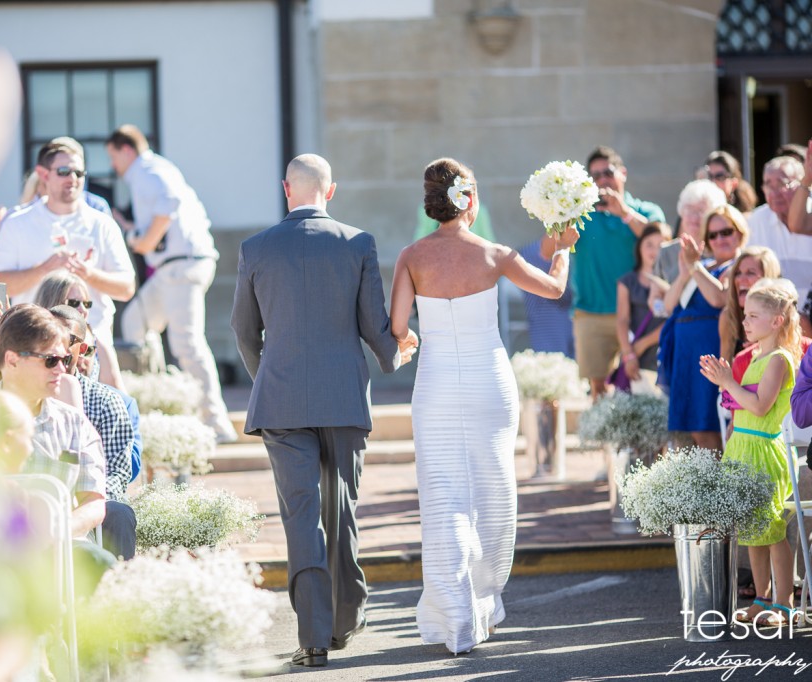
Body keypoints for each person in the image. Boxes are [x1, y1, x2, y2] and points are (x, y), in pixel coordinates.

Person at [230, 153, 415, 668]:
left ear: (286, 189)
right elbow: (376, 330)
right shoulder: (357, 242)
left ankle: (312, 638)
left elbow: (244, 332)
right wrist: (398, 352)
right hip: (343, 396)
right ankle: (345, 617)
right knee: (341, 510)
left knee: (301, 517)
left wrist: (268, 374)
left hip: (282, 399)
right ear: (330, 192)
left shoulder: (255, 247)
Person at [390, 158, 579, 654]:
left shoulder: (411, 255)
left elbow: (396, 328)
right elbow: (554, 289)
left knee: (443, 495)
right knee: (493, 489)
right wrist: (563, 249)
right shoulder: (495, 253)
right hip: (488, 381)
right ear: (468, 199)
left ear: (431, 204)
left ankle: (456, 616)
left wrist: (411, 337)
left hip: (434, 384)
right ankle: (486, 599)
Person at [106, 124, 237, 443]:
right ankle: (161, 402)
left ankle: (216, 423)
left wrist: (144, 241)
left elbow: (169, 205)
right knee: (135, 320)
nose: (113, 166)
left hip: (182, 267)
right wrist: (133, 231)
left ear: (126, 150)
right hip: (173, 269)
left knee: (187, 343)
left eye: (113, 157)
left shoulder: (148, 170)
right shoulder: (150, 171)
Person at [0, 140, 136, 393]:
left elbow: (126, 288)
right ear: (44, 175)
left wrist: (89, 273)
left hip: (91, 348)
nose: (73, 179)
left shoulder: (102, 224)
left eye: (79, 173)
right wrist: (43, 269)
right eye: (64, 172)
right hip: (35, 349)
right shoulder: (18, 223)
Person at [0, 304, 117, 593]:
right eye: (50, 361)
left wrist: (57, 532)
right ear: (11, 361)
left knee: (102, 564)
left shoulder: (74, 423)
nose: (63, 369)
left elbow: (94, 502)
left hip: (60, 548)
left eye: (63, 359)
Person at [699, 278, 801, 628]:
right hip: (742, 447)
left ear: (776, 321)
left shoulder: (779, 359)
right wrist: (726, 383)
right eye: (745, 315)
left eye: (754, 315)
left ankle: (785, 603)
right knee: (752, 531)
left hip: (763, 450)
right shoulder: (756, 356)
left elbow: (759, 407)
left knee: (772, 531)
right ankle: (762, 597)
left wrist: (728, 383)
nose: (745, 322)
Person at [542, 146, 665, 402]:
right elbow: (546, 251)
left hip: (639, 313)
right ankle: (606, 441)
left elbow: (663, 243)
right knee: (598, 389)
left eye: (607, 173)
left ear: (623, 173)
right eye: (595, 176)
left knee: (643, 384)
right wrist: (561, 213)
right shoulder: (581, 214)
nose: (602, 180)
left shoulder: (645, 210)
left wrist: (625, 214)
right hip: (591, 313)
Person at [47, 303, 139, 560]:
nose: (58, 343)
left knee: (119, 514)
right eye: (49, 334)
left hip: (90, 497)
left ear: (83, 349)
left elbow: (117, 473)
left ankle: (118, 594)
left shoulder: (106, 401)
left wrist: (84, 501)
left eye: (69, 338)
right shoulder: (26, 389)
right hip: (39, 495)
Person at [659, 205, 748, 450]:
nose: (719, 239)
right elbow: (669, 304)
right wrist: (687, 269)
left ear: (739, 232)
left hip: (712, 350)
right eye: (712, 234)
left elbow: (719, 299)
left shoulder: (741, 266)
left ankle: (719, 484)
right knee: (696, 430)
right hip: (687, 354)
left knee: (711, 424)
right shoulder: (703, 265)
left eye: (726, 232)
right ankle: (707, 486)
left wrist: (694, 266)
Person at [746, 155, 812, 332]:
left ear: (803, 183)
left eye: (782, 184)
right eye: (768, 185)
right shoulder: (755, 222)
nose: (774, 192)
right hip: (773, 320)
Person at [613, 222, 671, 393]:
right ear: (639, 247)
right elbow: (622, 320)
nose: (655, 250)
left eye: (661, 245)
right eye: (649, 244)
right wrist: (628, 354)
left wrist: (643, 344)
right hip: (636, 359)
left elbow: (672, 320)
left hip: (663, 355)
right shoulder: (627, 281)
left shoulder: (674, 281)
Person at [703, 150, 757, 215]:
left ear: (734, 183)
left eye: (720, 177)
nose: (713, 182)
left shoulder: (745, 218)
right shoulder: (699, 214)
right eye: (709, 176)